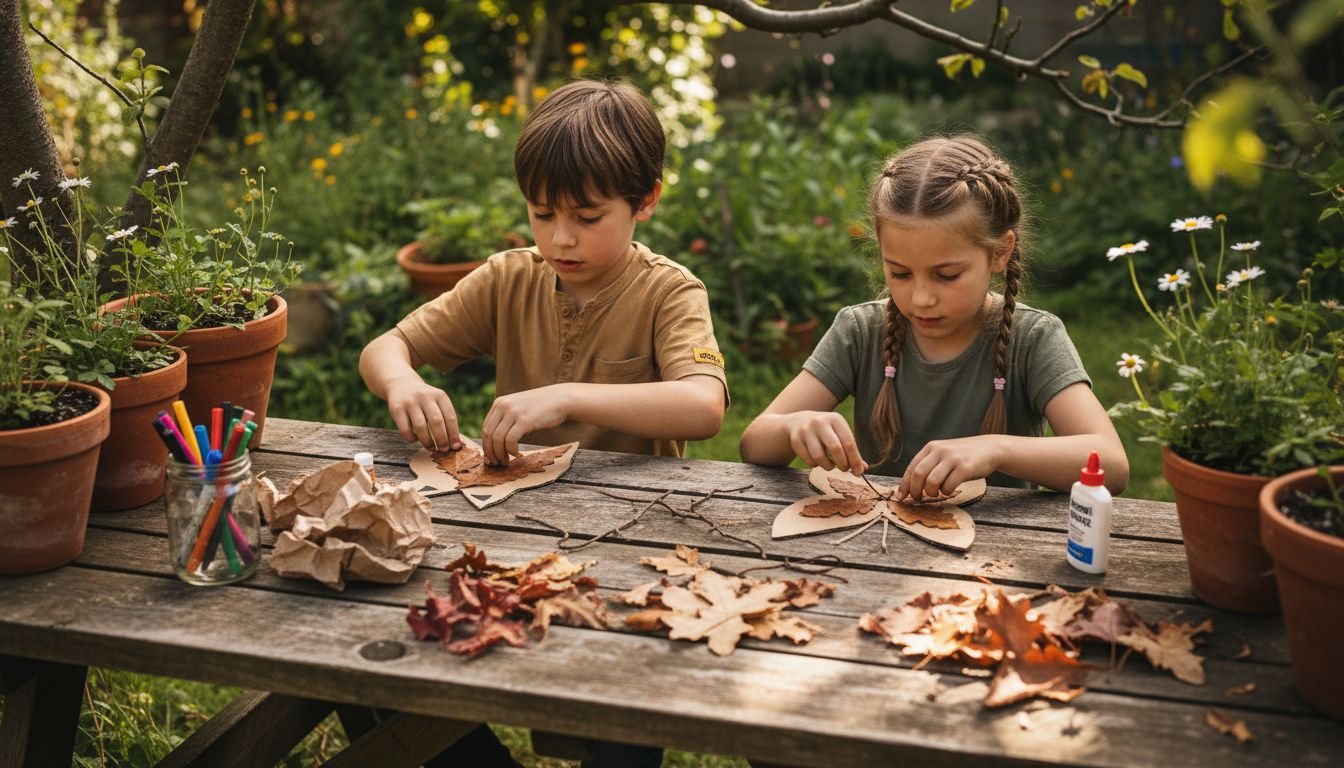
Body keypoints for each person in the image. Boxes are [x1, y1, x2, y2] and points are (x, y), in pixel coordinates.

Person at [360, 78, 729, 768]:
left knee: (617, 728)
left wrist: (568, 396)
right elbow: (384, 348)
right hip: (509, 540)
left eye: (588, 217)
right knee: (383, 671)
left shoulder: (668, 292)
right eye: (541, 213)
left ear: (645, 199)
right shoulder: (508, 278)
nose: (561, 237)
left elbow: (704, 403)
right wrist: (403, 380)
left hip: (632, 558)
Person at [739, 135, 1128, 500]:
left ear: (1000, 252)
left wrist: (997, 450)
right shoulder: (860, 332)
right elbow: (754, 442)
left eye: (946, 275)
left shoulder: (1034, 338)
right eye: (900, 273)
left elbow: (1111, 464)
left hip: (999, 554)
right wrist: (794, 427)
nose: (921, 298)